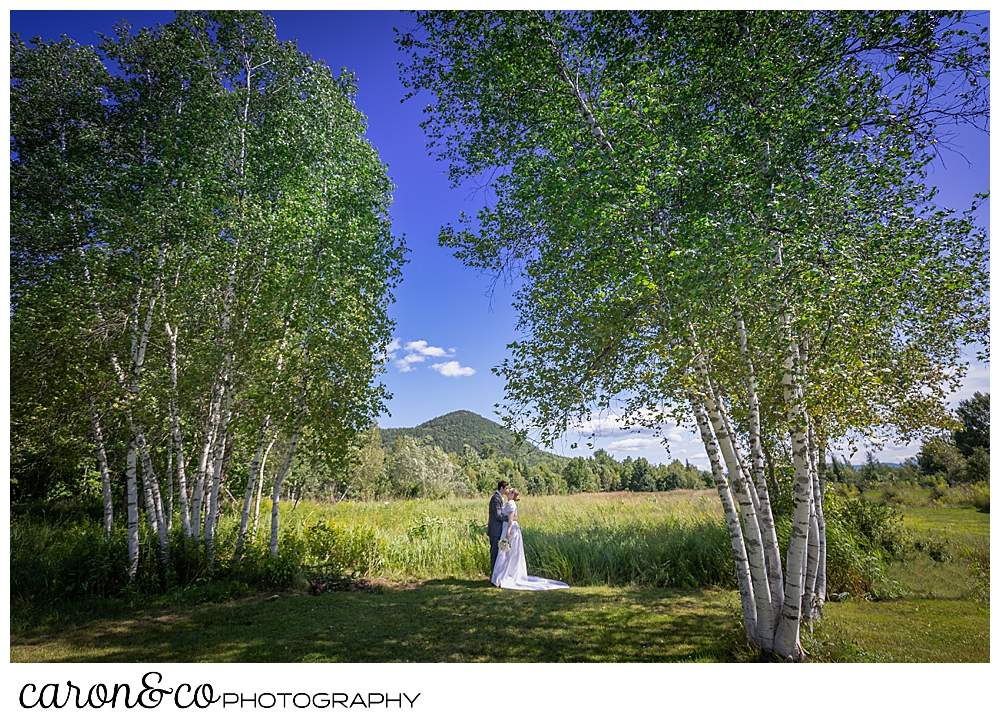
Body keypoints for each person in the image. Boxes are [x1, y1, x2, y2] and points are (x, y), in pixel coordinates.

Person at [491, 487, 569, 591]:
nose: (508, 490)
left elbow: (510, 519)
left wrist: (508, 532)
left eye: (510, 490)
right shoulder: (508, 503)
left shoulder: (511, 504)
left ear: (512, 495)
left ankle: (504, 576)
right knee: (506, 552)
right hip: (506, 528)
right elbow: (514, 516)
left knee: (506, 552)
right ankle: (503, 575)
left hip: (510, 529)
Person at [487, 480, 510, 574]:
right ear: (501, 488)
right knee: (495, 552)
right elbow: (498, 515)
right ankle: (493, 574)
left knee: (500, 553)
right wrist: (510, 519)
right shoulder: (496, 498)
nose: (507, 490)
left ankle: (498, 573)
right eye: (506, 488)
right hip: (495, 529)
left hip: (499, 529)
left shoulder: (499, 498)